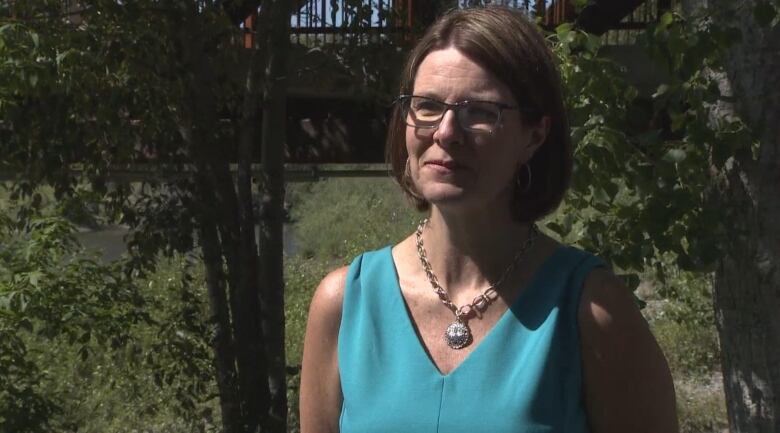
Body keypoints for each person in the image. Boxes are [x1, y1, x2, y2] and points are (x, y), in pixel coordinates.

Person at [300, 5, 678, 433]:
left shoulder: (591, 311)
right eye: (427, 106)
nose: (445, 132)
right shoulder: (344, 304)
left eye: (480, 111)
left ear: (534, 135)